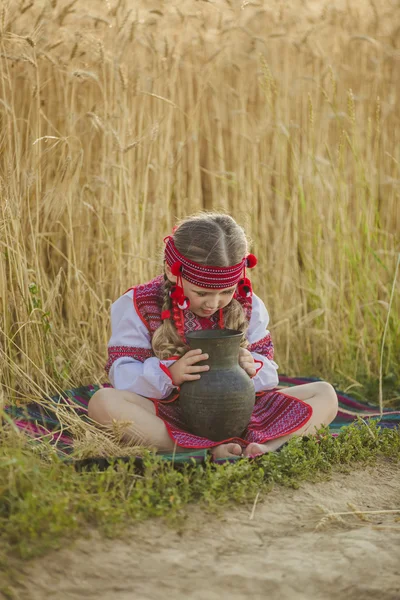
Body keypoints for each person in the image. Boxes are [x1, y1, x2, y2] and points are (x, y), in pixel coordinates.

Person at [88, 213, 338, 459]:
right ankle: (201, 449)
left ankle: (268, 447)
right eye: (202, 292)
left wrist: (252, 367)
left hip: (242, 410)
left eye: (226, 292)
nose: (214, 303)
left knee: (325, 393)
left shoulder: (249, 304)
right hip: (172, 413)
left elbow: (268, 368)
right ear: (172, 271)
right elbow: (121, 373)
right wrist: (170, 374)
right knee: (102, 402)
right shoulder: (138, 304)